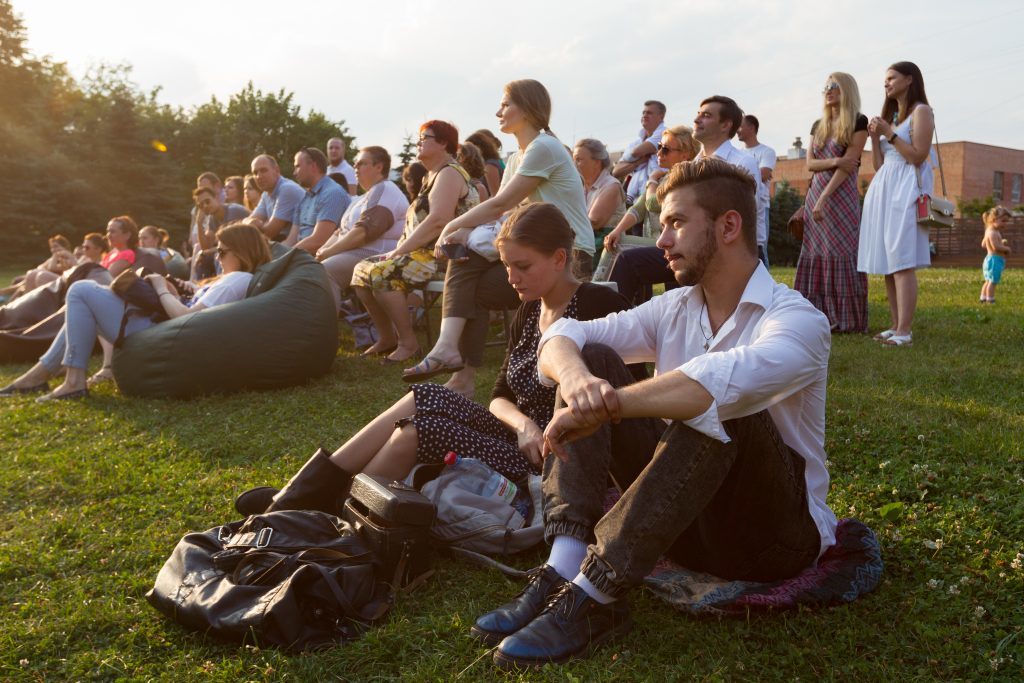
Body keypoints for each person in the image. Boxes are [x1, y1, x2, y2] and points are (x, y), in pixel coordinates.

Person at [472, 159, 837, 670]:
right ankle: (564, 565)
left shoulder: (797, 319)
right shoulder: (674, 307)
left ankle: (596, 595)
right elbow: (562, 336)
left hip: (770, 540)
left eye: (676, 223)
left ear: (729, 226)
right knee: (592, 359)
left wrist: (612, 405)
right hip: (682, 522)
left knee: (718, 402)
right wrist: (579, 383)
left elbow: (717, 386)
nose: (660, 240)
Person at [232, 202, 634, 519]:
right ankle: (304, 494)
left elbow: (626, 405)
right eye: (507, 266)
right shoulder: (530, 309)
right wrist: (525, 425)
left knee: (421, 431)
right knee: (426, 395)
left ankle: (335, 510)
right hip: (521, 436)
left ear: (560, 259)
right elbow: (499, 395)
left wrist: (541, 433)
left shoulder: (599, 304)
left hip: (556, 457)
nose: (511, 277)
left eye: (522, 266)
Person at [405, 79, 594, 395]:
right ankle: (457, 367)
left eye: (505, 105)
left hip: (571, 256)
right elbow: (501, 214)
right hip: (537, 253)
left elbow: (501, 203)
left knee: (468, 269)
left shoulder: (544, 147)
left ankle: (455, 362)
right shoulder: (519, 157)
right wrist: (464, 231)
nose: (498, 112)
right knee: (467, 266)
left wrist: (451, 227)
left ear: (528, 108)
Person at [0, 223, 272, 401]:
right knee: (82, 301)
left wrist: (160, 288)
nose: (217, 257)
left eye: (222, 251)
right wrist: (177, 289)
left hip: (157, 331)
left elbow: (187, 318)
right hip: (159, 325)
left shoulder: (236, 280)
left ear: (241, 252)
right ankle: (45, 376)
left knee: (81, 290)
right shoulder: (234, 279)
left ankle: (67, 380)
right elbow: (198, 304)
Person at [349, 121, 479, 363]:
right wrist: (402, 250)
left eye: (424, 138)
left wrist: (399, 251)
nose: (419, 143)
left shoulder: (449, 173)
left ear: (443, 143)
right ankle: (387, 338)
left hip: (446, 255)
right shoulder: (431, 176)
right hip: (423, 253)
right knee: (360, 272)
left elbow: (438, 221)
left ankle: (408, 343)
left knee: (382, 273)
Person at [858, 61, 935, 347]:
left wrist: (889, 134)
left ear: (909, 79)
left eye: (892, 78)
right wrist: (875, 138)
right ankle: (894, 324)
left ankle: (905, 330)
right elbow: (879, 165)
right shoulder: (891, 116)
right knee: (889, 263)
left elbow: (918, 155)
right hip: (885, 187)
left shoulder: (921, 112)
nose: (886, 83)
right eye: (885, 79)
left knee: (902, 260)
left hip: (906, 189)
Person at [794, 73, 869, 333]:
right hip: (815, 193)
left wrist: (824, 197)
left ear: (846, 89)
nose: (828, 90)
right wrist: (836, 160)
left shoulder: (858, 122)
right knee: (815, 250)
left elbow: (850, 166)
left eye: (834, 86)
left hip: (841, 197)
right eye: (826, 86)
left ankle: (844, 319)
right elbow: (810, 164)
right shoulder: (819, 125)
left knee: (841, 251)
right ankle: (814, 315)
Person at [602, 125, 699, 304]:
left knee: (620, 250)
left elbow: (652, 203)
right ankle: (608, 296)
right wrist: (617, 230)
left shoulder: (685, 178)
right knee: (616, 240)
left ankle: (601, 298)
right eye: (659, 147)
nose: (659, 153)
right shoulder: (664, 177)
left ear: (685, 155)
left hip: (670, 245)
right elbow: (637, 209)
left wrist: (651, 181)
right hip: (656, 242)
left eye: (666, 149)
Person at [316, 146, 409, 311]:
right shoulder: (361, 198)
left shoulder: (385, 189)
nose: (355, 167)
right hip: (358, 252)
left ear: (378, 167)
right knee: (312, 268)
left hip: (378, 253)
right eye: (355, 163)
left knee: (324, 271)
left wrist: (328, 252)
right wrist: (322, 251)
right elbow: (341, 231)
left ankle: (324, 325)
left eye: (361, 163)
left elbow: (364, 232)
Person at [692, 95, 768, 267]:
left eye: (706, 116)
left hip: (737, 254)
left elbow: (745, 213)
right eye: (698, 114)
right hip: (700, 250)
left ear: (725, 125)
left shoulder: (742, 163)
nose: (696, 120)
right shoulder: (692, 166)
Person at [573, 138, 625, 269]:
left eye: (579, 159)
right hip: (587, 249)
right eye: (573, 159)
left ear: (596, 162)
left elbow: (594, 222)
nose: (574, 164)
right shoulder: (581, 186)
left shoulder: (611, 186)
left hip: (606, 254)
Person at [292, 147, 352, 255]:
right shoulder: (305, 197)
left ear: (313, 166)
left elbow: (318, 242)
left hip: (318, 258)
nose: (294, 173)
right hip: (300, 255)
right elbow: (291, 239)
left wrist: (285, 256)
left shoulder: (332, 194)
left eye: (297, 166)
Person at [735, 114, 777, 263]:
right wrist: (753, 173)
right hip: (739, 206)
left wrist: (738, 174)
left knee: (759, 249)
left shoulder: (766, 151)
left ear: (752, 128)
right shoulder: (737, 153)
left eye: (740, 126)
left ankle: (764, 276)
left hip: (760, 207)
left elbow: (764, 174)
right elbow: (758, 175)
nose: (737, 130)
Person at [612, 101, 667, 204]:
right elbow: (616, 171)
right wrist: (637, 163)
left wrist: (630, 159)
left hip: (658, 198)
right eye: (643, 112)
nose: (645, 115)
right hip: (636, 202)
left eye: (649, 113)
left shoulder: (665, 135)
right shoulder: (635, 142)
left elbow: (636, 152)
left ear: (661, 116)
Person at [244, 154, 306, 244]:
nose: (259, 176)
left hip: (300, 245)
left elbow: (270, 232)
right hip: (285, 243)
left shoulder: (287, 189)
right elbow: (247, 223)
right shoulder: (266, 194)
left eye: (263, 170)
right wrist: (251, 223)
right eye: (255, 173)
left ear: (276, 170)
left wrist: (258, 225)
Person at [192, 186, 250, 280]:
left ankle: (223, 283)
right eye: (201, 205)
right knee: (203, 259)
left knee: (220, 254)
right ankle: (200, 286)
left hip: (249, 248)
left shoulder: (233, 211)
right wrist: (199, 223)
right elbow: (205, 246)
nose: (205, 206)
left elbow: (231, 244)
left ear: (216, 197)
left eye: (207, 201)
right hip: (235, 249)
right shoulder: (212, 219)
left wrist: (205, 252)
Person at [979, 206, 1012, 304]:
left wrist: (1000, 242)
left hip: (989, 259)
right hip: (995, 260)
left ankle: (983, 298)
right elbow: (995, 247)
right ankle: (990, 299)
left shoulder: (988, 231)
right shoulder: (993, 233)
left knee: (988, 280)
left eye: (1006, 221)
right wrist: (1006, 249)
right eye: (1003, 221)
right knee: (993, 282)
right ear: (994, 219)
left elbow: (983, 244)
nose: (1005, 224)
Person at [466, 129, 504, 197]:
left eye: (470, 149)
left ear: (480, 148)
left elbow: (495, 195)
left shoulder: (489, 165)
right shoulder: (489, 163)